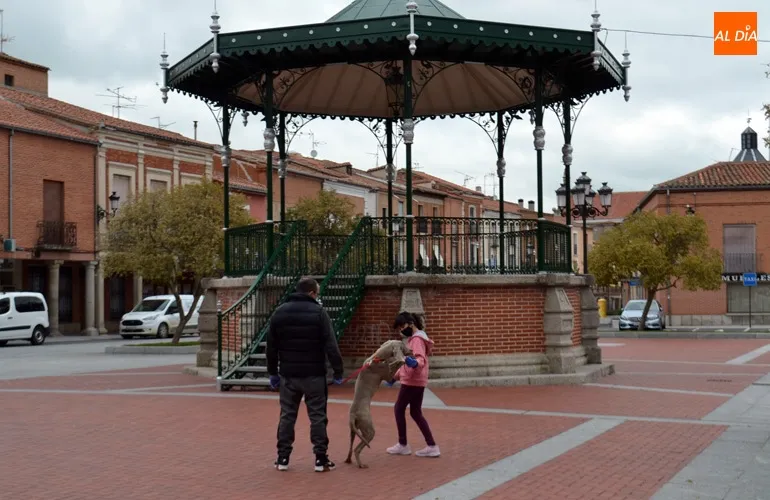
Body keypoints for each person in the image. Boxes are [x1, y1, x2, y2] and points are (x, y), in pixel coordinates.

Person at [266, 277, 344, 472]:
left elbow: (271, 347)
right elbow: (331, 345)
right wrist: (338, 371)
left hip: (288, 374)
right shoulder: (319, 313)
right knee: (317, 416)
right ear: (311, 293)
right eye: (317, 293)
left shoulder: (279, 312)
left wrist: (273, 372)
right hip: (314, 374)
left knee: (287, 416)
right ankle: (320, 459)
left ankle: (283, 458)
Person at [385, 312, 440, 458]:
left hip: (411, 381)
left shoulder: (416, 339)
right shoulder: (420, 337)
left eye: (402, 326)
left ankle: (403, 444)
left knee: (399, 409)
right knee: (415, 412)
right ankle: (432, 446)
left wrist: (415, 363)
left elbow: (419, 360)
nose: (401, 330)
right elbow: (407, 364)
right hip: (418, 380)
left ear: (410, 323)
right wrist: (395, 377)